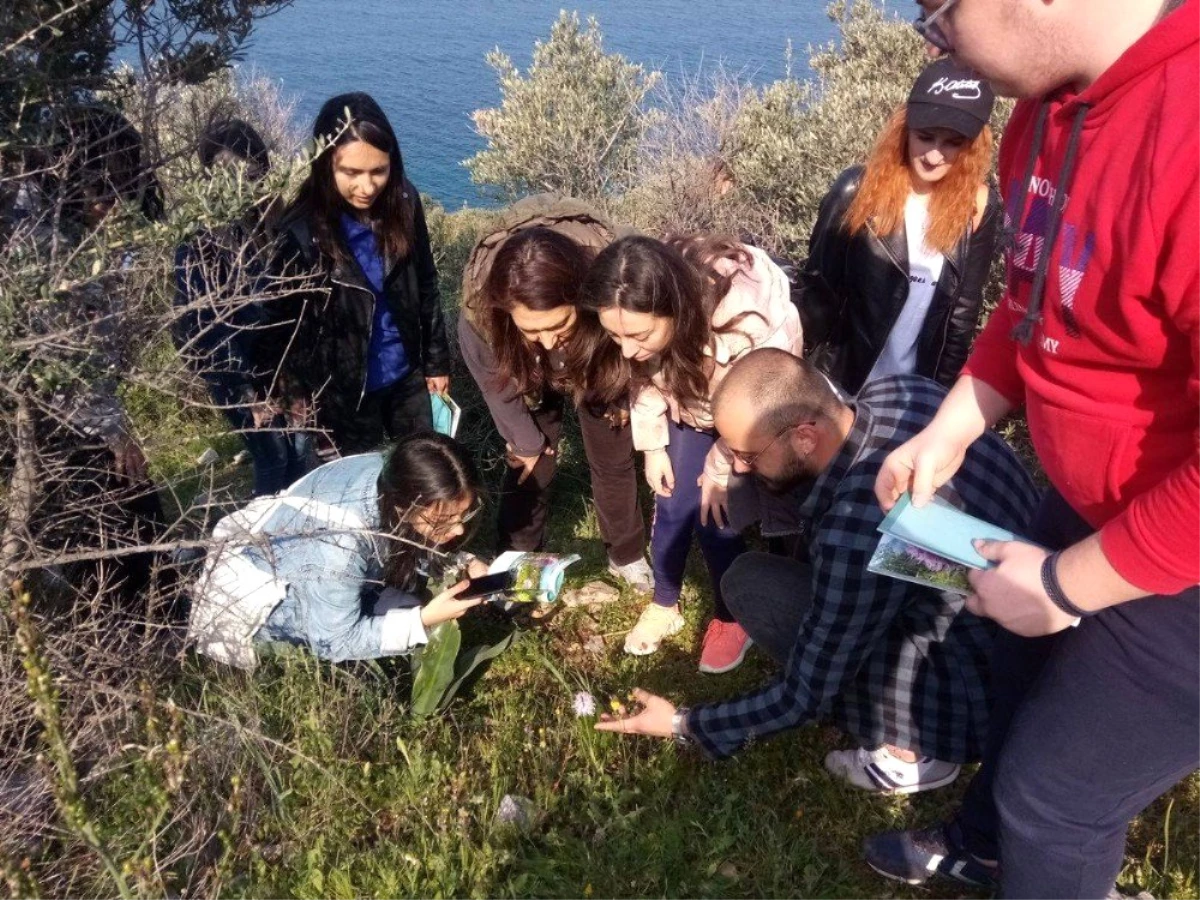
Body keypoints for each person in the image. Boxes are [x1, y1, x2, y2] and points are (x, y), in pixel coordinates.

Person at [859, 1, 1200, 898]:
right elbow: (1031, 298)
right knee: (1017, 668)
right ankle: (984, 844)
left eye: (937, 11)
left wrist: (1064, 586)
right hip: (1091, 500)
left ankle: (1026, 841)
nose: (928, 37)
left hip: (1185, 563)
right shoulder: (1047, 108)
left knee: (1058, 800)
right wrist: (951, 426)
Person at [594, 350, 1039, 790]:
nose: (741, 468)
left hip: (974, 692)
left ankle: (913, 752)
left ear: (805, 436)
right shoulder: (902, 390)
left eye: (749, 454)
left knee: (751, 586)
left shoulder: (858, 527)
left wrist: (680, 722)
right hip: (1031, 628)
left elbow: (804, 694)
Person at [580, 235, 802, 673]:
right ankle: (665, 601)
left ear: (676, 309)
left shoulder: (752, 324)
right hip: (689, 407)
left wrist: (721, 467)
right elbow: (641, 376)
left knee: (715, 513)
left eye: (638, 335)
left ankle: (730, 614)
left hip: (755, 418)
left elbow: (768, 405)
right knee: (674, 498)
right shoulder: (637, 310)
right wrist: (653, 445)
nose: (624, 348)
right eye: (613, 334)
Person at [13, 105, 169, 611]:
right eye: (105, 189)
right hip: (67, 419)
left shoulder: (38, 222)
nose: (113, 205)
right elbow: (67, 356)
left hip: (65, 415)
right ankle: (137, 630)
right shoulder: (51, 249)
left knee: (119, 525)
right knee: (124, 531)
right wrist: (114, 432)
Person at [458, 198, 653, 591]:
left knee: (612, 458)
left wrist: (624, 392)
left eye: (558, 324)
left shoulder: (609, 283)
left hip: (594, 354)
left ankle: (626, 554)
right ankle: (516, 559)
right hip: (521, 365)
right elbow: (495, 385)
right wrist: (525, 440)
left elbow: (637, 341)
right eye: (533, 329)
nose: (547, 340)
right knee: (530, 460)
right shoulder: (482, 314)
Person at [188, 432, 489, 667]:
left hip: (297, 565)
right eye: (445, 521)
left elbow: (409, 538)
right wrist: (420, 621)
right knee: (409, 614)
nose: (459, 529)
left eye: (463, 516)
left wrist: (461, 562)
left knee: (409, 601)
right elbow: (334, 640)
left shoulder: (390, 470)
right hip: (264, 615)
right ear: (403, 505)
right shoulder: (338, 548)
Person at [799, 56, 1000, 396]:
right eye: (925, 137)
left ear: (972, 148)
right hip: (840, 389)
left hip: (912, 395)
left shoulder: (978, 207)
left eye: (952, 143)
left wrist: (936, 401)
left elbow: (961, 318)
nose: (935, 155)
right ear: (903, 131)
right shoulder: (855, 192)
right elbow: (817, 292)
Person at [265, 92, 449, 454]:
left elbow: (425, 284)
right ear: (324, 165)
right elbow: (284, 327)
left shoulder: (405, 204)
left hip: (407, 376)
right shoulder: (300, 234)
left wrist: (436, 362)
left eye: (379, 171)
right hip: (343, 390)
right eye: (351, 172)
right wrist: (295, 391)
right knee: (354, 483)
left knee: (422, 469)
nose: (367, 187)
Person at [173, 118, 316, 496]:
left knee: (301, 449)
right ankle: (268, 540)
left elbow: (296, 305)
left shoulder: (275, 225)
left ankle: (303, 535)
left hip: (283, 365)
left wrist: (295, 375)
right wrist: (244, 392)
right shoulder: (198, 244)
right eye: (227, 177)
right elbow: (201, 330)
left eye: (250, 175)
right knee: (273, 457)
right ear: (208, 179)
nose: (240, 188)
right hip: (236, 373)